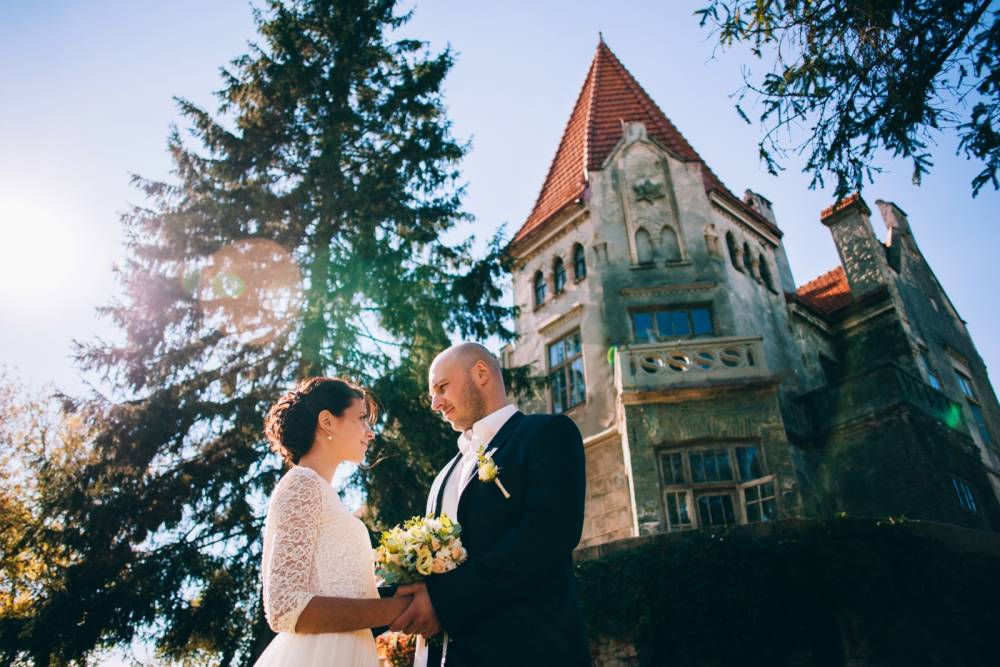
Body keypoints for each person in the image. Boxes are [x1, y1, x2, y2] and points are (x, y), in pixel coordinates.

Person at [392, 342, 591, 666]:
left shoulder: (546, 433)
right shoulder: (444, 475)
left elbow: (547, 536)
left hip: (529, 652)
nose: (435, 403)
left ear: (481, 373)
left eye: (442, 387)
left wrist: (444, 602)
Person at [254, 377, 410, 667]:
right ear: (327, 421)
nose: (370, 432)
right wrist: (397, 609)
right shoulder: (303, 484)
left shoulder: (324, 494)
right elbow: (285, 607)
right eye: (361, 418)